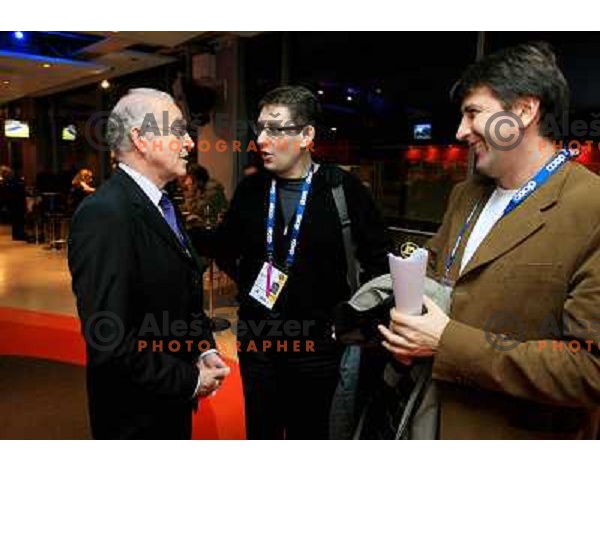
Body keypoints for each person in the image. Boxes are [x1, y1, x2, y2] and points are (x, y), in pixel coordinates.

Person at [379, 42, 600, 439]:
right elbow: (437, 281)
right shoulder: (465, 195)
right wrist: (408, 333)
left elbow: (590, 370)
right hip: (429, 421)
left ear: (523, 111)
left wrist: (446, 343)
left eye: (473, 113)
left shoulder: (591, 208)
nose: (461, 132)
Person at [210, 85, 390, 439]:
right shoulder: (252, 189)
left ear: (307, 135)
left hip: (320, 349)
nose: (261, 139)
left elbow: (379, 264)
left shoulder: (343, 189)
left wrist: (351, 322)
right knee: (261, 432)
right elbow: (225, 246)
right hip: (259, 343)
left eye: (275, 129)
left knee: (312, 434)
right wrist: (252, 287)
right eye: (259, 128)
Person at [68, 88, 230, 439]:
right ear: (141, 140)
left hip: (166, 405)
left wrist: (203, 348)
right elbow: (109, 340)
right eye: (177, 131)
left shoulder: (162, 204)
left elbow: (179, 296)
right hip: (134, 418)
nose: (189, 143)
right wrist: (190, 379)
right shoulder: (105, 214)